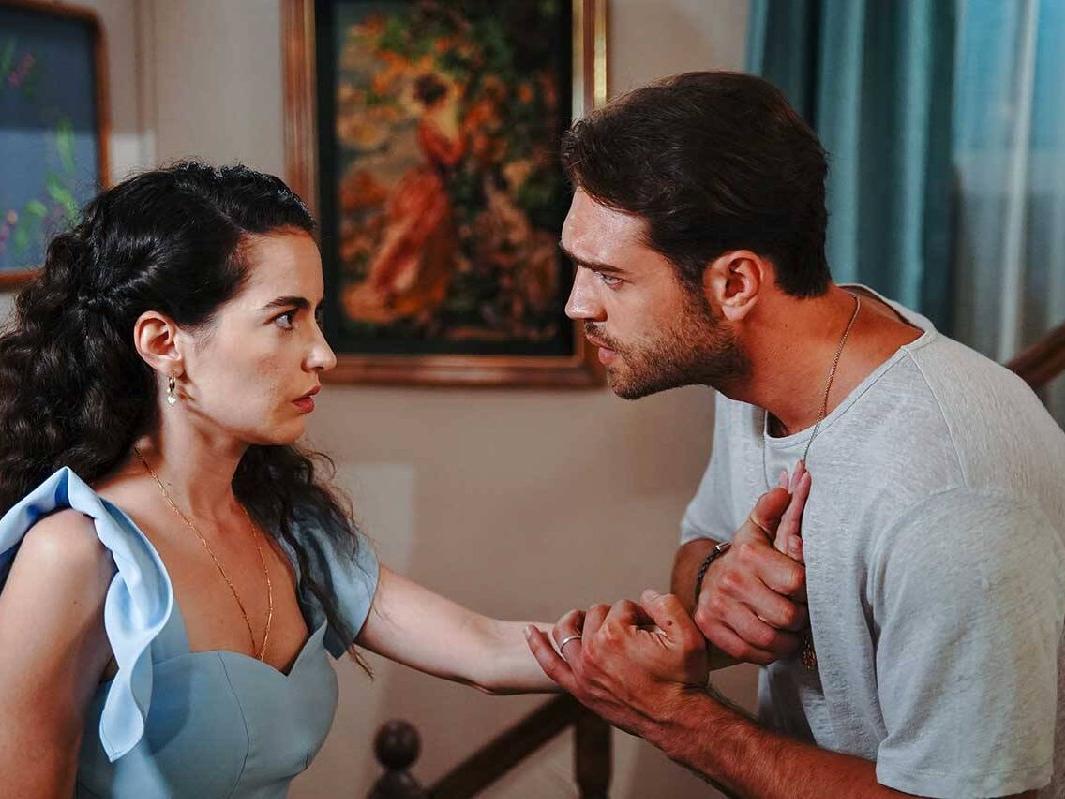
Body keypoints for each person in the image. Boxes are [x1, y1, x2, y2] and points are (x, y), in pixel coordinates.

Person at [525, 71, 1065, 798]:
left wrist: (673, 716)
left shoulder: (950, 492)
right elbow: (697, 550)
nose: (575, 305)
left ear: (735, 283)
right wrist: (715, 579)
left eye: (610, 277)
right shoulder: (759, 369)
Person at [0, 161, 564, 797]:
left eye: (316, 316)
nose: (324, 354)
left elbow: (484, 650)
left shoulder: (290, 526)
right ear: (163, 342)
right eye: (285, 318)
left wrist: (636, 639)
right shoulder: (74, 555)